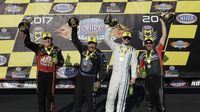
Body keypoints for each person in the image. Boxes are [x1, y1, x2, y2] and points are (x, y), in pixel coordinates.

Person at [68, 17, 107, 112]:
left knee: (90, 103)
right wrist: (74, 28)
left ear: (96, 44)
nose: (91, 45)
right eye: (90, 43)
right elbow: (74, 40)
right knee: (77, 100)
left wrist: (99, 81)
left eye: (93, 43)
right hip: (80, 78)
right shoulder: (83, 49)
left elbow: (103, 69)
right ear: (87, 43)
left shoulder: (100, 55)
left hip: (91, 79)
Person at [22, 30, 64, 112]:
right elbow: (27, 43)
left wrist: (57, 61)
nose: (47, 40)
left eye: (49, 39)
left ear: (52, 39)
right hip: (41, 75)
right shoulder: (38, 47)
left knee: (50, 97)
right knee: (41, 98)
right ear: (43, 40)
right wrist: (26, 31)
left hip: (51, 76)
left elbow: (62, 63)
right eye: (45, 38)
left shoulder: (57, 50)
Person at [104, 16, 138, 112]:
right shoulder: (116, 47)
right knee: (111, 96)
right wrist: (110, 27)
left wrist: (134, 77)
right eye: (125, 37)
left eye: (128, 38)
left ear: (130, 39)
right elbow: (107, 39)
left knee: (122, 99)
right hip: (115, 74)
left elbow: (134, 63)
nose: (126, 39)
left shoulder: (132, 50)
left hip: (125, 76)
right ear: (122, 38)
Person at [139, 17, 167, 112]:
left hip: (157, 78)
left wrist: (162, 22)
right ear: (145, 44)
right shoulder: (142, 55)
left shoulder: (158, 50)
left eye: (150, 42)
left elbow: (164, 35)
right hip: (147, 80)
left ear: (152, 43)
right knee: (149, 102)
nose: (148, 44)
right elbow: (141, 67)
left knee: (160, 102)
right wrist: (141, 73)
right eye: (147, 43)